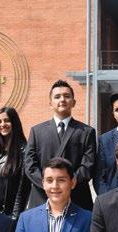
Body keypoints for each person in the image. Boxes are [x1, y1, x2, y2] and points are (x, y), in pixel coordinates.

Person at [23, 79, 96, 210]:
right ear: (50, 103)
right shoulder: (37, 131)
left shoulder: (86, 131)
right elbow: (29, 165)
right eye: (57, 97)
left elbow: (88, 165)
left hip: (76, 197)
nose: (62, 99)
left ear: (73, 102)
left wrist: (70, 183)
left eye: (67, 96)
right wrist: (48, 184)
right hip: (42, 197)